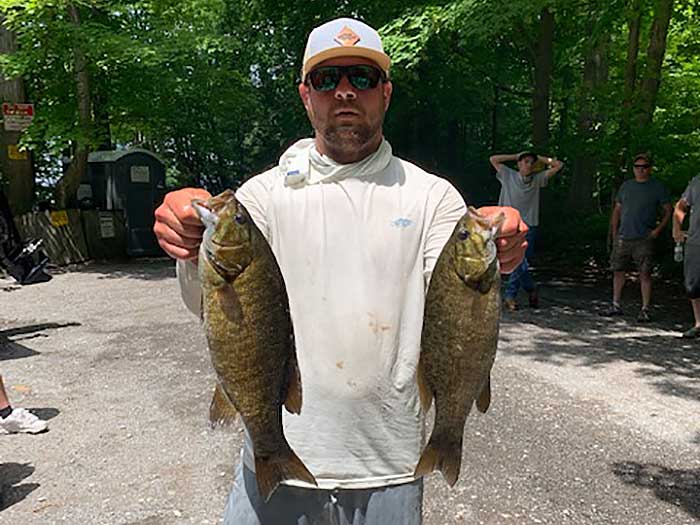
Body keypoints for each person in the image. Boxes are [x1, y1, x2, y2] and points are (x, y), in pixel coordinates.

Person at [154, 17, 527, 525]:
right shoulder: (261, 196)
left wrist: (500, 236)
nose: (345, 92)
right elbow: (210, 300)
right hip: (278, 455)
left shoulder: (433, 197)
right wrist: (186, 241)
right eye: (328, 80)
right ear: (306, 95)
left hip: (391, 464)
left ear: (386, 93)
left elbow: (463, 287)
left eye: (362, 78)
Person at [489, 150, 564, 311]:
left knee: (520, 261)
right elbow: (493, 159)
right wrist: (516, 156)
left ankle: (510, 296)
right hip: (507, 225)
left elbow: (558, 165)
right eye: (525, 162)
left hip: (528, 225)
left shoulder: (538, 179)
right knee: (517, 262)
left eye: (531, 162)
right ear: (518, 164)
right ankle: (530, 288)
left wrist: (539, 158)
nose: (528, 165)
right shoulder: (508, 175)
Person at [605, 152, 672, 322]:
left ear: (650, 169)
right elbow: (617, 210)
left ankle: (645, 308)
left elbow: (669, 210)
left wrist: (657, 230)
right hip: (623, 236)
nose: (641, 170)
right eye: (637, 167)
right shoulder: (626, 186)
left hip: (644, 237)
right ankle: (615, 304)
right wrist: (614, 233)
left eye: (645, 167)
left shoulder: (657, 187)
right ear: (633, 169)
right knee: (618, 270)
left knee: (645, 273)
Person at [673, 176, 700, 338]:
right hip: (695, 241)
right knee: (693, 285)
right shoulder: (697, 181)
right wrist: (677, 228)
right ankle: (698, 324)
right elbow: (681, 205)